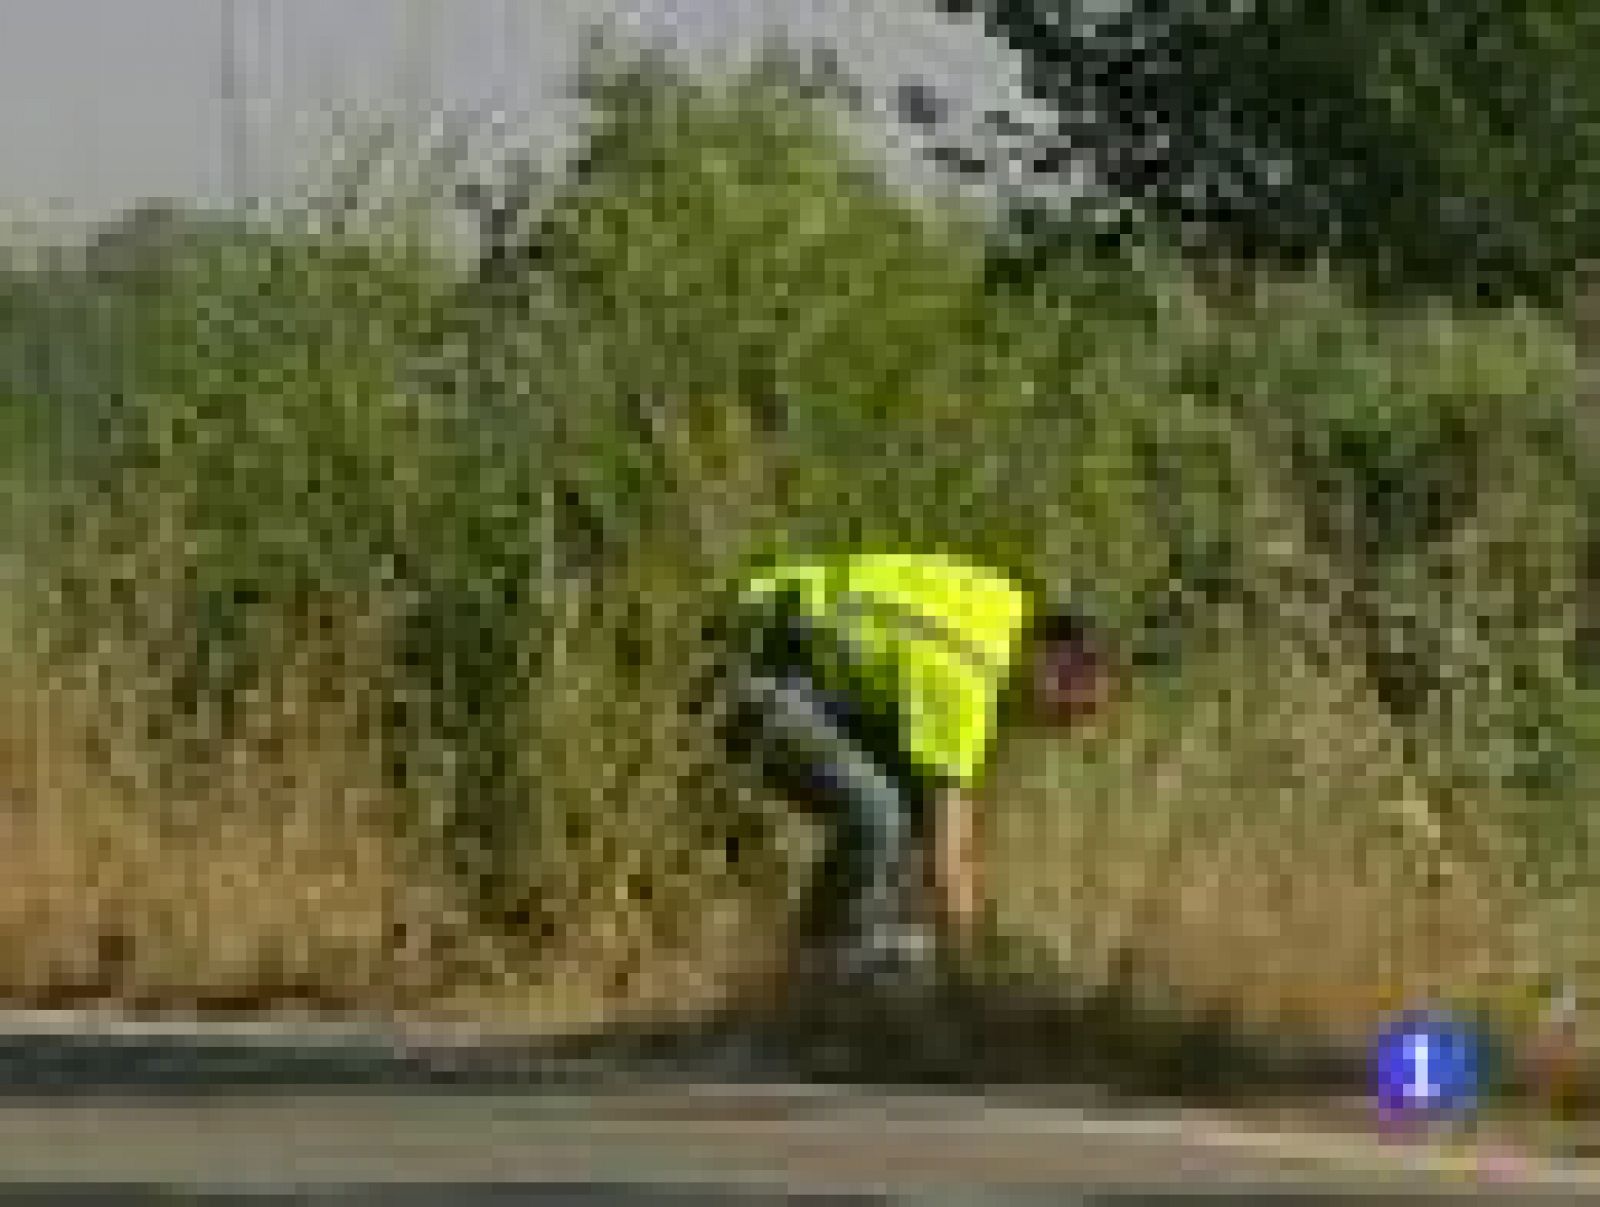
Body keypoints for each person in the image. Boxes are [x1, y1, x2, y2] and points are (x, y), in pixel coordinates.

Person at [715, 550, 1118, 987]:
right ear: (1052, 668)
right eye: (1066, 715)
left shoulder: (1003, 606)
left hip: (774, 642)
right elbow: (949, 853)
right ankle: (813, 976)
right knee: (879, 816)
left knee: (907, 806)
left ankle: (859, 943)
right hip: (745, 664)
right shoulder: (967, 675)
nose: (1055, 731)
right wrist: (970, 974)